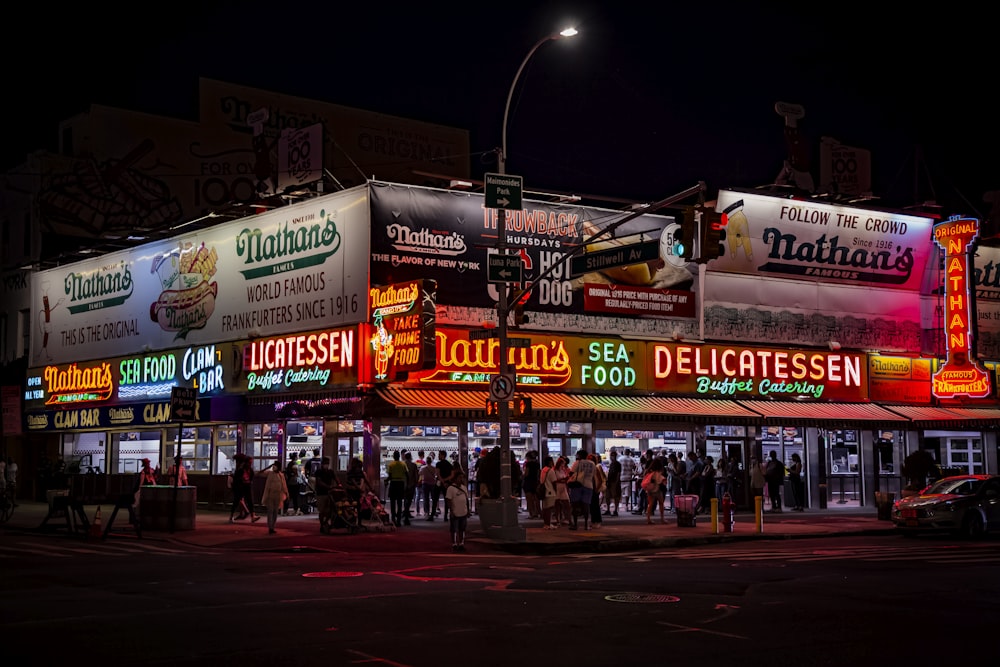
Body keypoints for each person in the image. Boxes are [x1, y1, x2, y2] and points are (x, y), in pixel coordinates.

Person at [567, 449, 596, 531]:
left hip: (578, 485)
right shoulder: (592, 463)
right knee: (586, 505)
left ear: (579, 455)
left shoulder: (577, 463)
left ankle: (575, 524)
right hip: (589, 485)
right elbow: (593, 475)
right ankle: (586, 525)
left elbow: (571, 473)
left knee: (575, 505)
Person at [229, 456, 260, 524]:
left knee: (250, 501)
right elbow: (237, 480)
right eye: (249, 463)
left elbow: (251, 477)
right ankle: (231, 516)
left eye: (251, 463)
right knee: (236, 502)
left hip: (247, 486)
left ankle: (253, 516)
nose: (250, 464)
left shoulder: (250, 470)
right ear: (246, 463)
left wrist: (249, 481)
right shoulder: (240, 470)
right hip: (240, 487)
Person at [261, 460, 288, 534]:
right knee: (270, 511)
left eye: (275, 466)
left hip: (278, 495)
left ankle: (273, 526)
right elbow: (260, 473)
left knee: (275, 511)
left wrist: (286, 494)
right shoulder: (270, 474)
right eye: (273, 466)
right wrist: (268, 467)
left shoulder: (281, 475)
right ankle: (270, 527)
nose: (274, 467)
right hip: (270, 495)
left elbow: (284, 485)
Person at [445, 472, 470, 551]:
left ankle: (462, 543)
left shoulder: (464, 487)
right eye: (459, 477)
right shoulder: (451, 488)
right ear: (455, 479)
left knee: (462, 528)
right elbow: (448, 500)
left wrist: (468, 510)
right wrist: (451, 511)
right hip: (455, 512)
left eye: (462, 477)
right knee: (454, 529)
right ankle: (454, 544)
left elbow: (466, 499)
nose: (461, 479)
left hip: (463, 511)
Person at [314, 457, 338, 533]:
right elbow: (319, 482)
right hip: (321, 493)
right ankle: (322, 524)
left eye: (327, 463)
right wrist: (328, 486)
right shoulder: (319, 472)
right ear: (322, 463)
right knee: (322, 511)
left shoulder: (330, 472)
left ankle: (325, 523)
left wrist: (339, 484)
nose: (326, 465)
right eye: (325, 463)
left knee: (330, 510)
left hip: (330, 493)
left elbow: (336, 478)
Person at [642, 457, 667, 524]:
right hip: (657, 490)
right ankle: (662, 519)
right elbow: (660, 481)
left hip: (650, 489)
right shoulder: (659, 472)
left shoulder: (649, 471)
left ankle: (648, 519)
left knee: (650, 504)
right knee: (661, 503)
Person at [386, 450, 408, 527]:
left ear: (393, 456)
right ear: (399, 456)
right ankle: (398, 520)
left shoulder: (391, 464)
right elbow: (407, 474)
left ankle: (393, 519)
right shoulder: (403, 464)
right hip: (400, 484)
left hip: (393, 484)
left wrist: (386, 480)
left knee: (392, 502)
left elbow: (390, 476)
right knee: (399, 503)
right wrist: (407, 484)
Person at [432, 450, 454, 521]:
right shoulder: (449, 464)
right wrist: (445, 480)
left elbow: (437, 474)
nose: (438, 456)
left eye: (439, 454)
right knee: (446, 499)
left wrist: (442, 481)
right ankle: (445, 516)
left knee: (435, 499)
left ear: (443, 455)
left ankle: (432, 515)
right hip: (447, 484)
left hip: (439, 483)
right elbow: (452, 475)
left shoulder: (438, 464)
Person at [539, 456, 558, 530]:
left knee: (545, 508)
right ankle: (548, 524)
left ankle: (546, 523)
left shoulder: (543, 470)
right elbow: (554, 482)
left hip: (544, 491)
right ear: (550, 462)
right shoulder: (551, 471)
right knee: (549, 509)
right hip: (550, 491)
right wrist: (555, 491)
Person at [552, 456, 571, 527]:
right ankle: (557, 519)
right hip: (558, 487)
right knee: (557, 505)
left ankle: (567, 519)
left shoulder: (563, 470)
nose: (563, 465)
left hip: (563, 487)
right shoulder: (555, 470)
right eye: (563, 464)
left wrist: (565, 479)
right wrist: (562, 480)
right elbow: (555, 480)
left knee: (567, 503)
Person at [522, 450, 541, 519]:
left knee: (529, 499)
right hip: (535, 482)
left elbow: (526, 473)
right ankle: (538, 512)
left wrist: (522, 475)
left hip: (528, 482)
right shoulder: (537, 464)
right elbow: (538, 474)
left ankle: (531, 513)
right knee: (536, 499)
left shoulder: (528, 464)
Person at [604, 448, 622, 516]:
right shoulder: (611, 464)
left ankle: (615, 510)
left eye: (613, 456)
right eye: (611, 455)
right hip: (610, 482)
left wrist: (617, 482)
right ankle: (608, 509)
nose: (612, 457)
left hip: (614, 482)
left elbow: (618, 474)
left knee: (615, 496)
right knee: (607, 496)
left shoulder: (617, 464)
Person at [589, 453, 605, 528]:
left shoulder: (596, 467)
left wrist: (597, 488)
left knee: (595, 506)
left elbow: (600, 479)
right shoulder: (591, 468)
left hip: (595, 489)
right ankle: (593, 521)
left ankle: (597, 521)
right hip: (590, 488)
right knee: (592, 506)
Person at [403, 451, 419, 524]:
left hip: (403, 485)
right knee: (409, 500)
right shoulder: (413, 465)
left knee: (405, 500)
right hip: (411, 485)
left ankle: (405, 514)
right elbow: (416, 475)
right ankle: (406, 514)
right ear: (410, 457)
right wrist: (416, 483)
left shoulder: (402, 464)